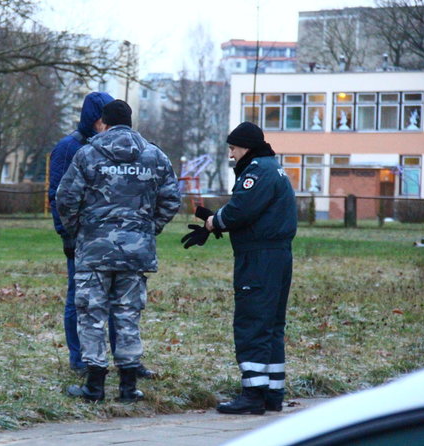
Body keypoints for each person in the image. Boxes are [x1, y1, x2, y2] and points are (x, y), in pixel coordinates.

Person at [56, 100, 181, 402]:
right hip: (135, 252)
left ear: (103, 122)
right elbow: (171, 199)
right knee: (127, 315)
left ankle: (95, 386)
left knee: (92, 315)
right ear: (130, 121)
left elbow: (65, 198)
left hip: (95, 250)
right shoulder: (154, 155)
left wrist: (80, 232)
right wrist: (148, 230)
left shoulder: (87, 154)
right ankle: (128, 387)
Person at [48, 92, 156, 379]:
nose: (103, 125)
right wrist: (67, 233)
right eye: (99, 120)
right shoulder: (69, 148)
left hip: (124, 239)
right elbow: (59, 194)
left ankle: (125, 360)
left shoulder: (130, 148)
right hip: (86, 240)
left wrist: (144, 227)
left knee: (122, 303)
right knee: (81, 300)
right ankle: (82, 358)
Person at [204, 122, 297, 415]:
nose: (231, 155)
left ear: (245, 146)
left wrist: (214, 222)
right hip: (278, 256)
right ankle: (272, 393)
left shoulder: (257, 171)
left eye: (232, 148)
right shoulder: (274, 167)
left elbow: (241, 209)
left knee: (253, 322)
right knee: (271, 325)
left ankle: (253, 395)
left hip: (259, 259)